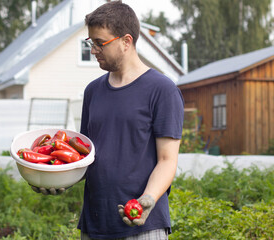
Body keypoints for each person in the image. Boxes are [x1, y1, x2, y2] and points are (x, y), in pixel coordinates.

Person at [32, 1, 184, 239]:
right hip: (95, 225)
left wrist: (148, 200)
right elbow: (86, 157)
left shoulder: (162, 90)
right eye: (91, 42)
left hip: (143, 226)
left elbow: (167, 160)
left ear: (126, 42)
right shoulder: (93, 91)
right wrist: (53, 176)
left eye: (100, 43)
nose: (93, 50)